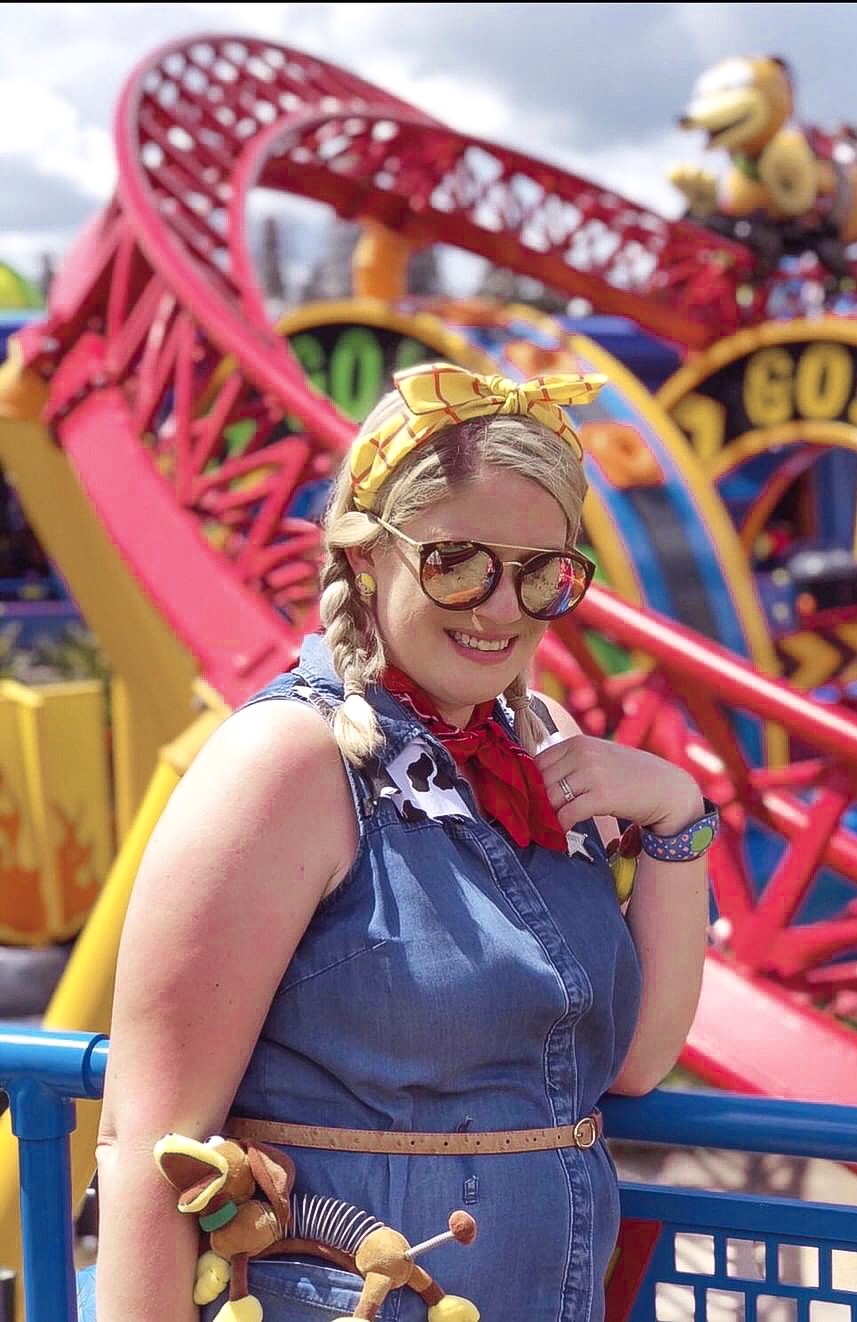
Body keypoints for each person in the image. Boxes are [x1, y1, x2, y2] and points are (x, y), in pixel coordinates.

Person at [80, 362, 713, 1321]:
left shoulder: (536, 749)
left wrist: (675, 815)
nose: (501, 608)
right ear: (368, 554)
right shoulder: (288, 762)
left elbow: (633, 1062)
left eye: (541, 573)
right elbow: (147, 1140)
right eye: (457, 561)